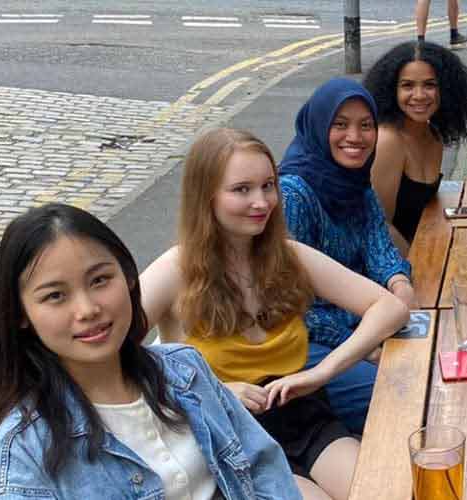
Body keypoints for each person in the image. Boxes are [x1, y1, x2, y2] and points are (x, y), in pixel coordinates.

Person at [141, 128, 409, 499]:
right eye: (242, 189)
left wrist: (323, 371)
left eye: (268, 185)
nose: (262, 201)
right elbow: (109, 355)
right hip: (233, 434)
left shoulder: (287, 255)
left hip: (302, 415)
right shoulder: (176, 269)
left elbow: (390, 306)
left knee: (383, 492)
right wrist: (209, 393)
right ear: (206, 196)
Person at [0, 203, 304, 500]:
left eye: (100, 280)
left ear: (129, 277)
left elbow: (265, 470)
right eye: (55, 296)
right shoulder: (23, 451)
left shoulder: (185, 371)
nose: (87, 309)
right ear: (21, 313)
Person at [277, 78, 415, 432]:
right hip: (306, 342)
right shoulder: (293, 195)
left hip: (364, 322)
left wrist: (399, 284)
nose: (355, 136)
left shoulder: (355, 181)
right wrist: (363, 345)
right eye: (340, 124)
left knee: (431, 367)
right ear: (319, 125)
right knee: (401, 394)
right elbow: (290, 306)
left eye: (365, 125)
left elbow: (379, 247)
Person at [364, 41, 467, 251]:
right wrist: (419, 268)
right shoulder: (388, 141)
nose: (419, 95)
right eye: (407, 85)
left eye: (429, 85)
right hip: (393, 265)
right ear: (391, 90)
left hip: (426, 247)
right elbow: (379, 226)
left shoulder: (433, 135)